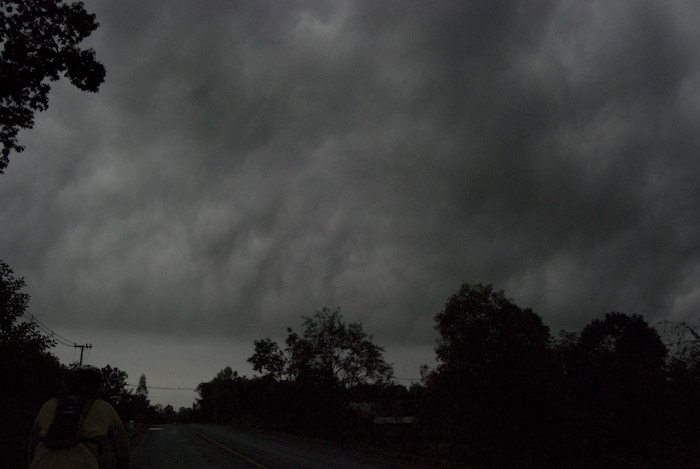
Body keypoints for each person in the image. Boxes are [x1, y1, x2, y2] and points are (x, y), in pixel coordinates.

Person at [28, 365, 131, 469]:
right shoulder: (104, 407)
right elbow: (123, 453)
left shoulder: (50, 404)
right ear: (97, 386)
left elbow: (32, 444)